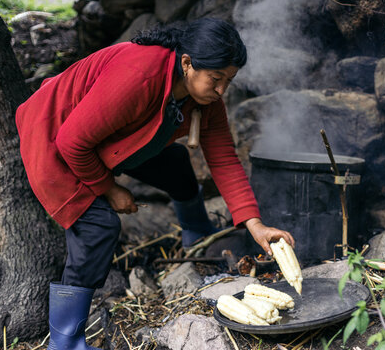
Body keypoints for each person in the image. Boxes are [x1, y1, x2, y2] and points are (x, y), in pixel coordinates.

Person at [16, 18, 295, 350]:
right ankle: (65, 343)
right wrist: (110, 189)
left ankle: (198, 239)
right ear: (187, 63)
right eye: (215, 79)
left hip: (101, 140)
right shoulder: (140, 77)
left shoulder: (205, 101)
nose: (222, 91)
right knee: (98, 227)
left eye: (229, 81)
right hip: (53, 137)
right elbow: (72, 142)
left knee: (175, 163)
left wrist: (256, 225)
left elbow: (224, 160)